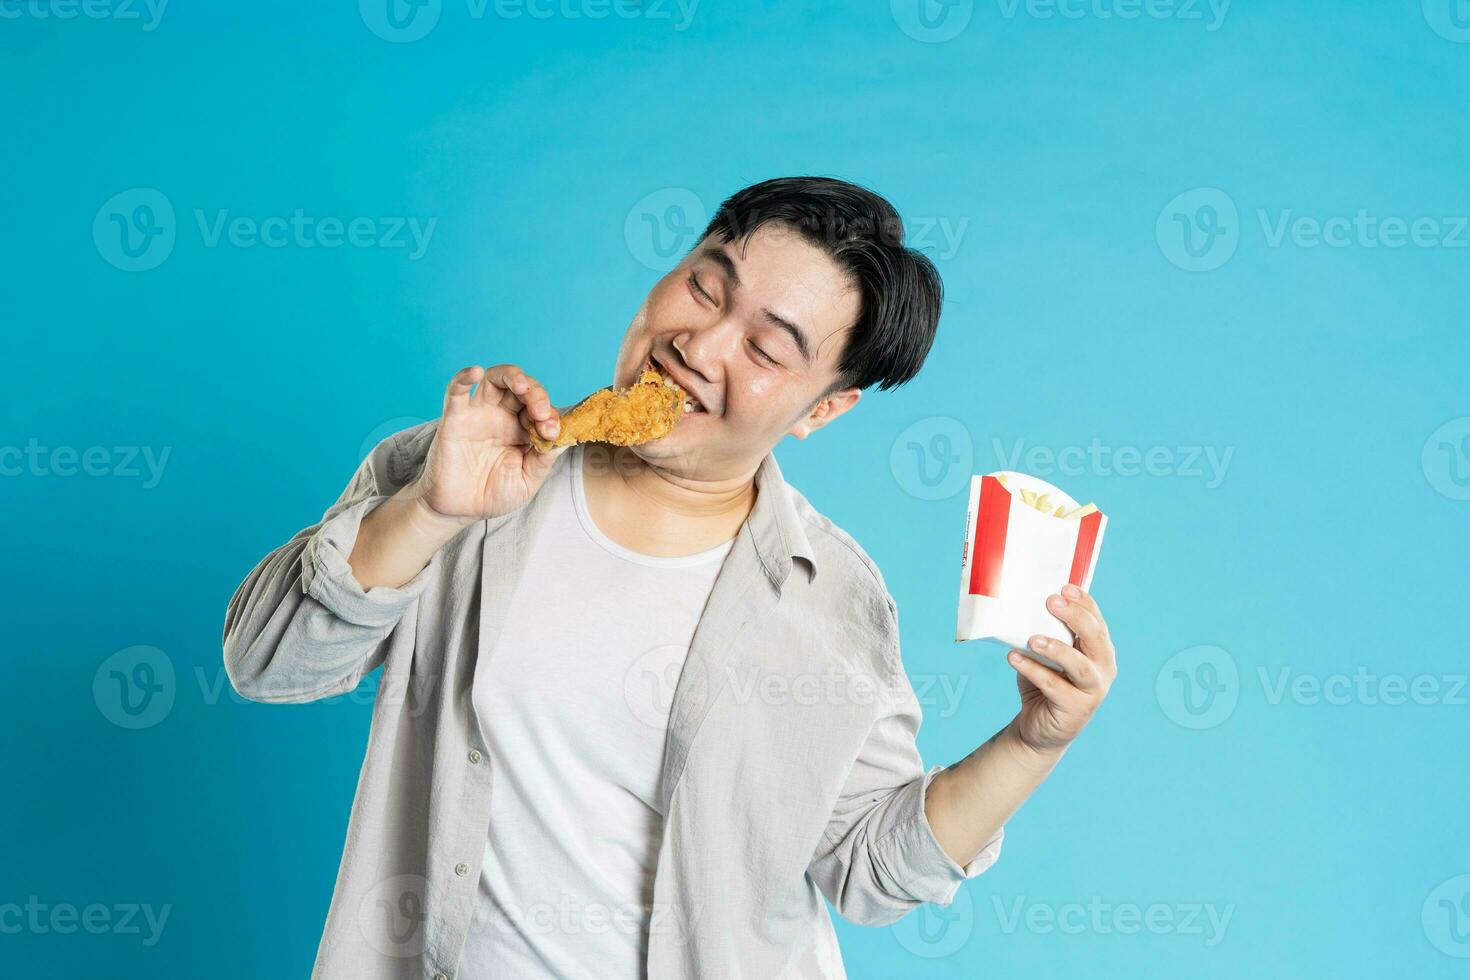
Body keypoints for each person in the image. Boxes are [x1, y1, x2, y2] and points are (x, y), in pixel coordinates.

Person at [222, 176, 1119, 979]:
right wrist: (428, 510)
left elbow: (869, 870)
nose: (700, 343)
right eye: (705, 286)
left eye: (766, 349)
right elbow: (267, 664)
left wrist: (1034, 742)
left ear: (826, 408)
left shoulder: (832, 597)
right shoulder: (460, 464)